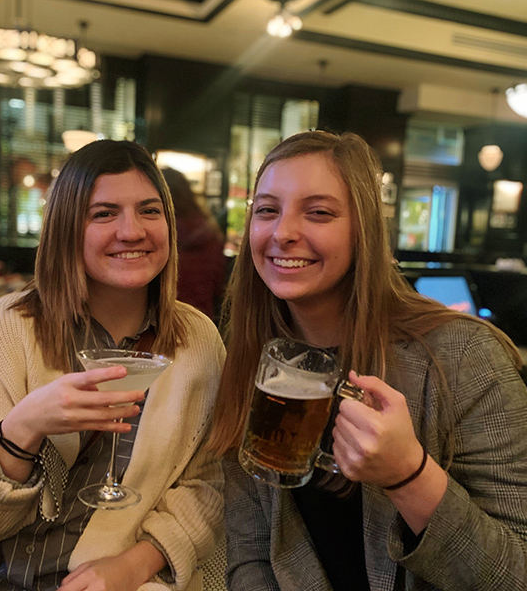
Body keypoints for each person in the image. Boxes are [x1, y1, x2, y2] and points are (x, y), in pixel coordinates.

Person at [207, 130, 527, 591]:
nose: (283, 232)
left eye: (318, 213)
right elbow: (250, 548)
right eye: (267, 210)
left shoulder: (464, 356)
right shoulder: (251, 353)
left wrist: (408, 475)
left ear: (365, 231)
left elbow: (515, 573)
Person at [0, 140, 226, 591]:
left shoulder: (199, 340)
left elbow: (209, 486)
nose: (132, 231)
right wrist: (23, 429)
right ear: (67, 227)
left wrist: (136, 564)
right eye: (103, 213)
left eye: (149, 210)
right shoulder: (4, 330)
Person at [161, 168, 226, 322]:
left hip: (163, 323)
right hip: (202, 322)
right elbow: (218, 287)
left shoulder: (160, 235)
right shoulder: (210, 232)